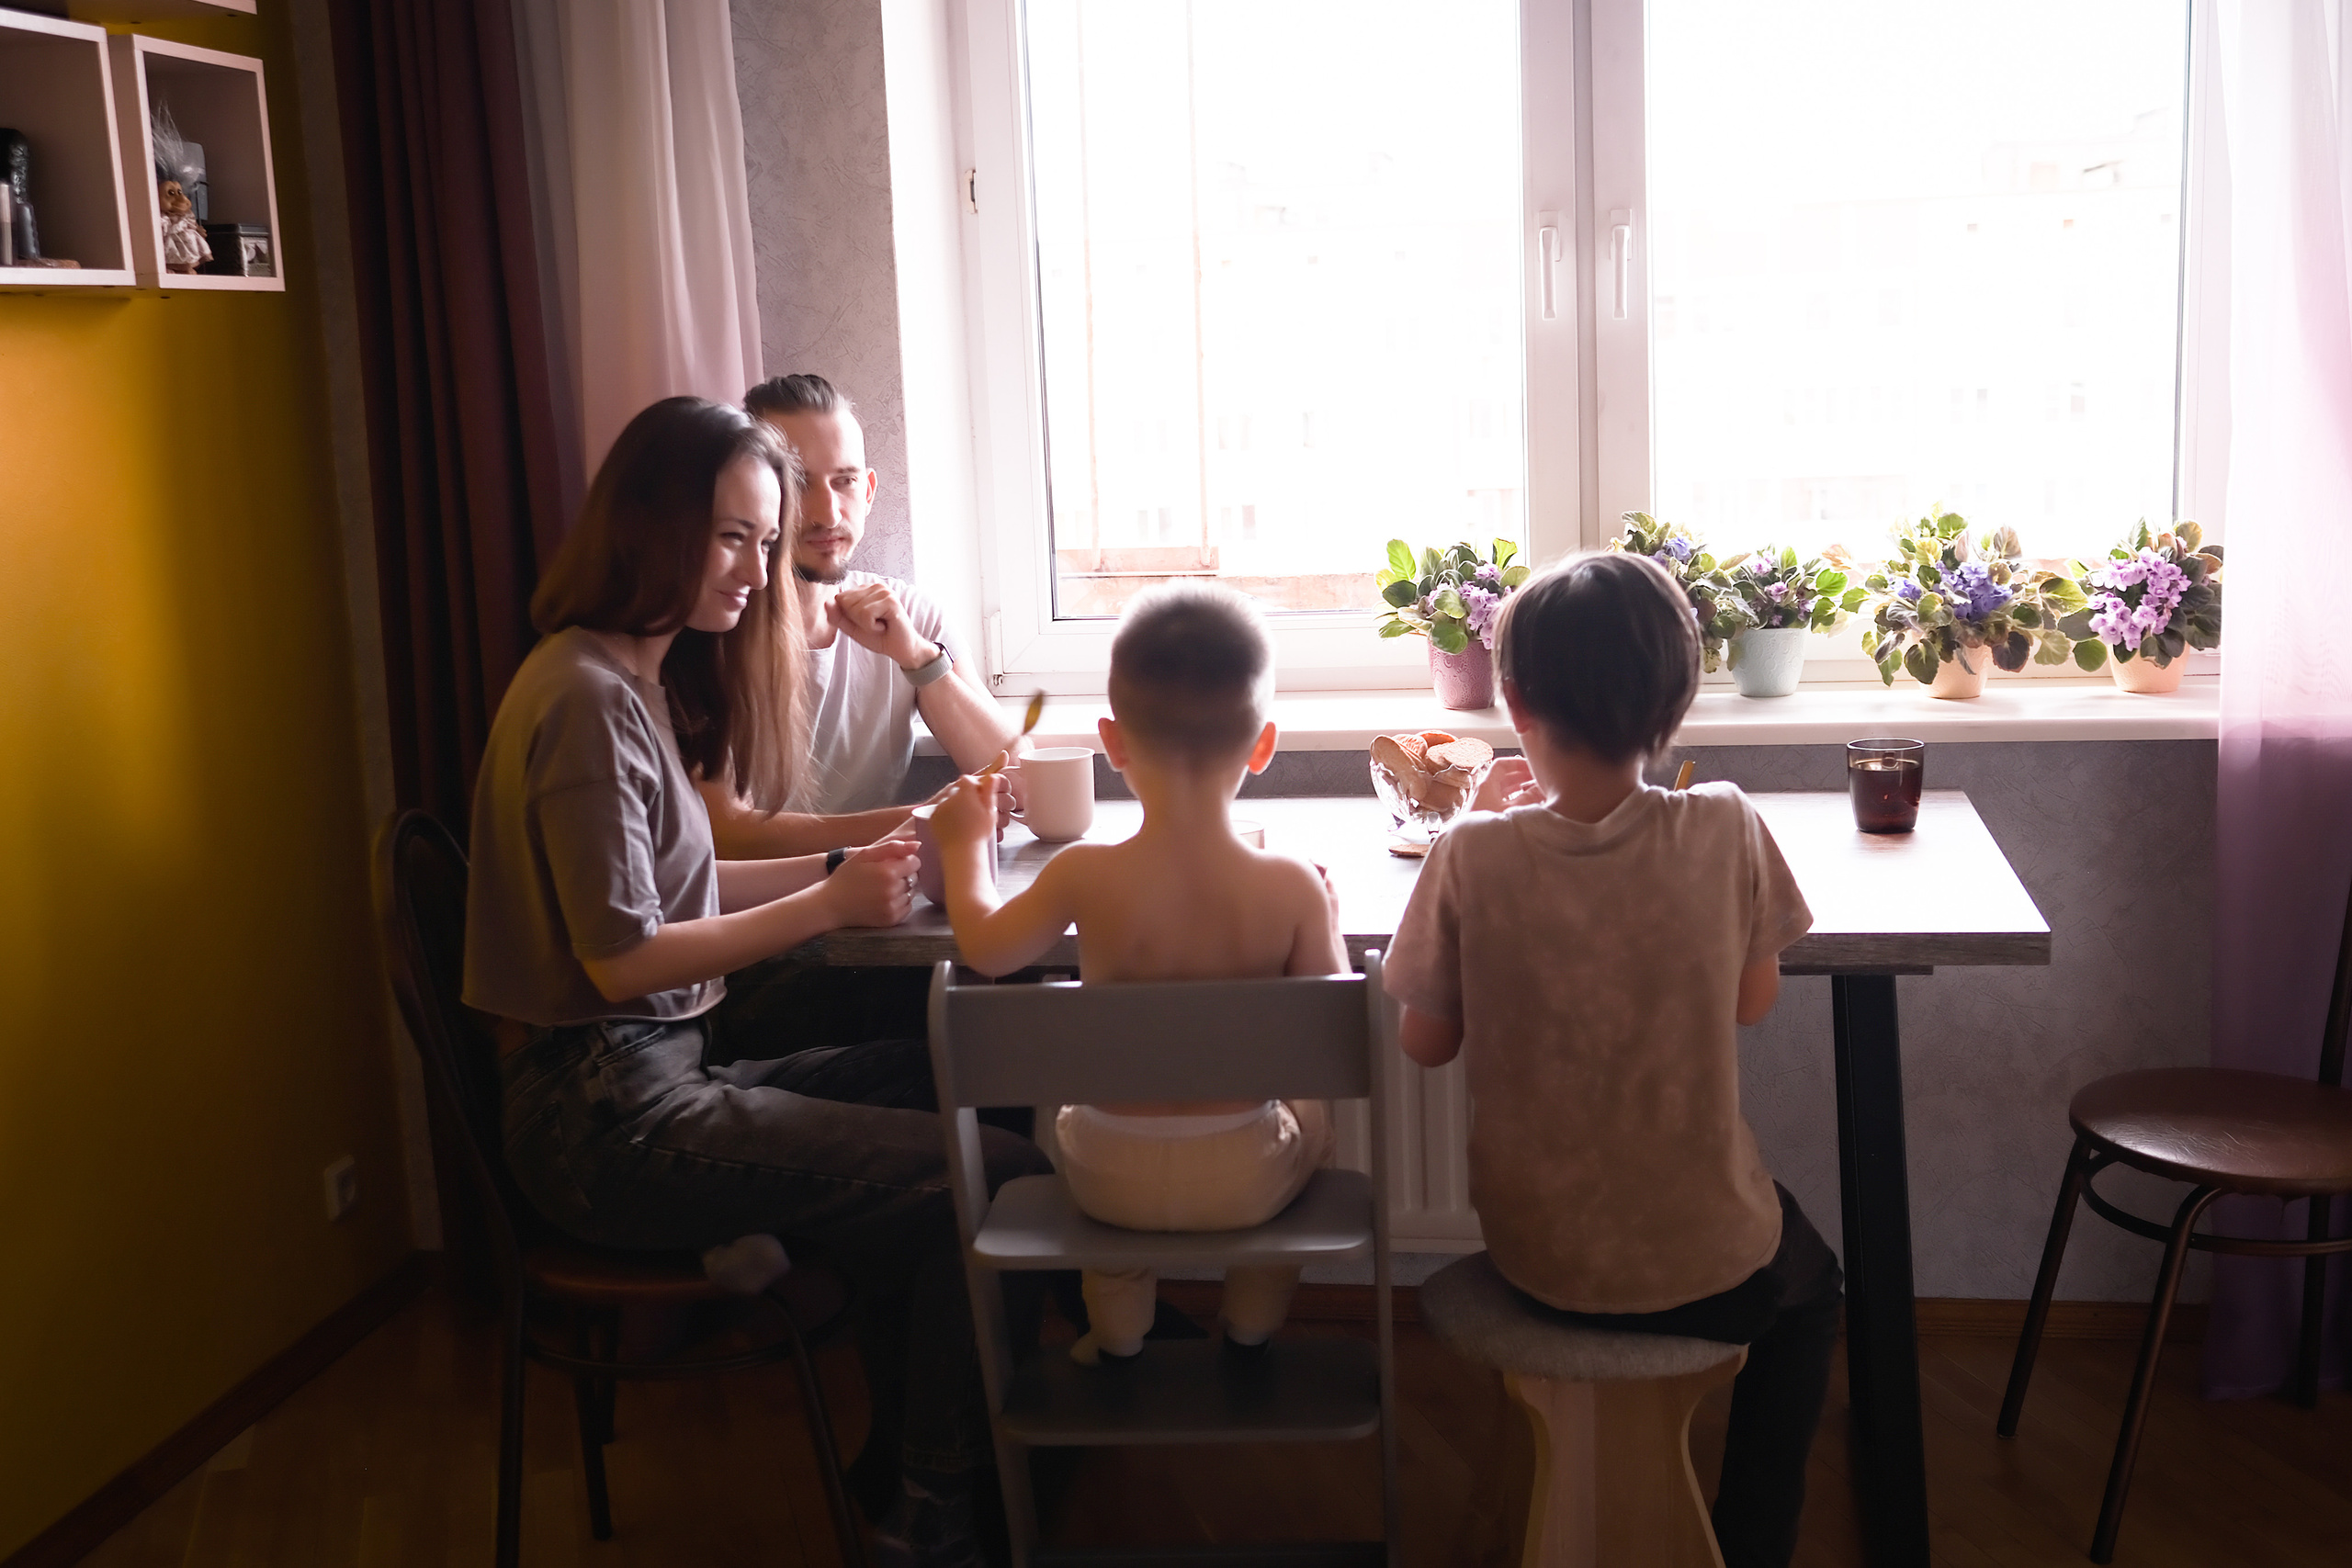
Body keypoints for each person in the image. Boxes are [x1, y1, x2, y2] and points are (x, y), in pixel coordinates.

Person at [464, 396, 1049, 1568]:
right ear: (649, 526)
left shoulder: (626, 678)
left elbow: (679, 888)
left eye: (764, 541)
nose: (757, 569)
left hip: (647, 1074)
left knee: (952, 1077)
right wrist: (827, 905)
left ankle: (918, 1460)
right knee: (976, 1174)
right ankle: (935, 1506)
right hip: (604, 1117)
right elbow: (620, 957)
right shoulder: (583, 699)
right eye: (732, 537)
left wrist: (849, 865)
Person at [1383, 552, 1839, 1568]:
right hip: (1707, 1265)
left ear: (1513, 700)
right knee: (1815, 1288)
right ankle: (1754, 1544)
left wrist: (1491, 838)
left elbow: (1424, 1044)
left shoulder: (1472, 853)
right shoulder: (1724, 824)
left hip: (1537, 1261)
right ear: (1676, 698)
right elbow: (1753, 1003)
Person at [928, 583, 1346, 1366]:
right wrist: (1321, 910)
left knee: (1089, 1131)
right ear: (1263, 745)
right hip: (1245, 1174)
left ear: (1112, 741)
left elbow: (985, 948)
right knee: (1315, 1120)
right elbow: (1325, 1035)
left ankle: (1119, 1328)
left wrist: (961, 846)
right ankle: (1253, 1320)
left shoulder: (1082, 874)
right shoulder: (1289, 884)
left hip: (1104, 1176)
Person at [695, 373, 1020, 857]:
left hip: (880, 906)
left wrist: (920, 659)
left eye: (844, 481)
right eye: (798, 483)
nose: (828, 513)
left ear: (867, 491)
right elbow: (724, 832)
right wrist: (920, 821)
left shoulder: (911, 616)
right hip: (755, 915)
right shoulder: (715, 625)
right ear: (754, 495)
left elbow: (1015, 769)